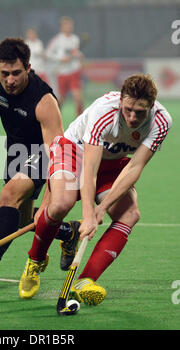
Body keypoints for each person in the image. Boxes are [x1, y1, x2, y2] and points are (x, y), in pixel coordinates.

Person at [19, 73, 172, 305]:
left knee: (130, 214)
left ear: (151, 106)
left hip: (112, 162)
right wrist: (89, 214)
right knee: (61, 204)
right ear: (120, 101)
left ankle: (85, 280)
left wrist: (103, 208)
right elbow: (89, 170)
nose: (132, 117)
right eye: (128, 109)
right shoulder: (104, 111)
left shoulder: (161, 121)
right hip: (74, 151)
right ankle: (35, 261)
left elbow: (134, 167)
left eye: (139, 112)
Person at [0, 37, 77, 291]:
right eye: (5, 73)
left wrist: (50, 201)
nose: (10, 80)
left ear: (29, 68)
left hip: (44, 151)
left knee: (9, 194)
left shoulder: (44, 102)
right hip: (15, 149)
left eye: (17, 73)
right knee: (22, 221)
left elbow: (57, 154)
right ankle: (67, 232)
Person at [45, 16, 84, 117]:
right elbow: (47, 53)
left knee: (78, 98)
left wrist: (78, 55)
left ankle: (80, 122)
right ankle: (55, 119)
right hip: (62, 73)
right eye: (66, 25)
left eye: (71, 25)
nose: (69, 27)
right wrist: (60, 58)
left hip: (74, 72)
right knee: (60, 100)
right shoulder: (57, 40)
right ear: (62, 27)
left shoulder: (75, 39)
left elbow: (74, 52)